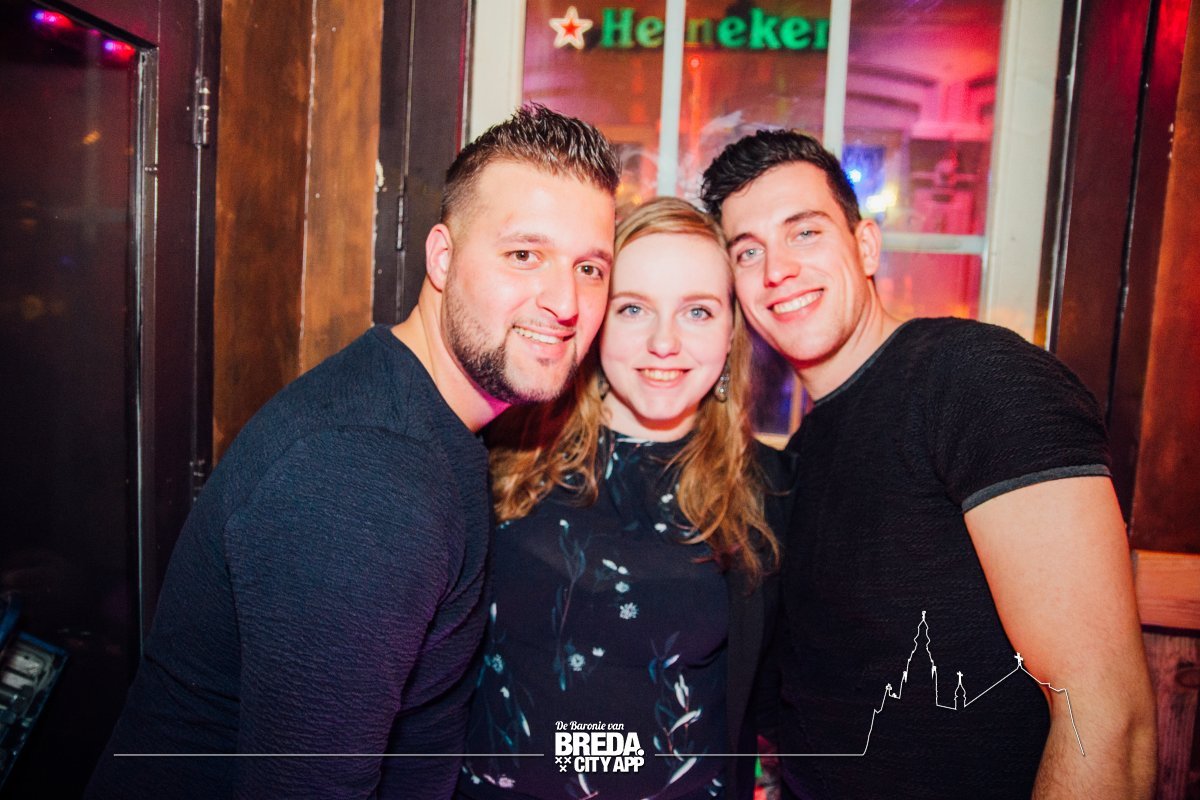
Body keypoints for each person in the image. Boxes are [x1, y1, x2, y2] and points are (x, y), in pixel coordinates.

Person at [84, 104, 619, 799]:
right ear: (442, 257)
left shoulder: (423, 418)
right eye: (525, 255)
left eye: (589, 268)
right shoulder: (365, 475)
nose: (566, 302)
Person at [699, 130, 1156, 799]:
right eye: (748, 251)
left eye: (805, 233)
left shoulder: (977, 378)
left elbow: (1107, 718)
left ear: (866, 246)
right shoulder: (802, 454)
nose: (777, 271)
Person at [456, 197, 787, 800]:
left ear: (731, 332)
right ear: (596, 320)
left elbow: (785, 698)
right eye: (633, 308)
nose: (664, 342)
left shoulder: (768, 488)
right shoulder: (504, 449)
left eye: (697, 311)